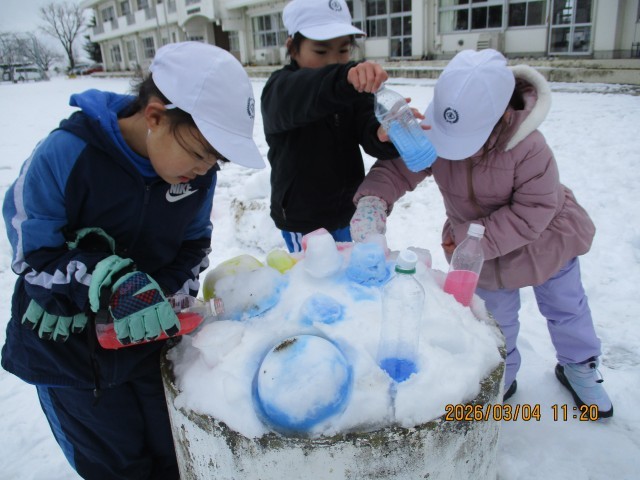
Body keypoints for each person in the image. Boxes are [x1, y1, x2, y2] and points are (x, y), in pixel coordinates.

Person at [1, 41, 264, 479]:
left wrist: (162, 296)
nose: (205, 169)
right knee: (117, 468)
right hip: (73, 362)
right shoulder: (67, 154)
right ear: (155, 116)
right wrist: (111, 284)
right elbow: (33, 256)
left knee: (176, 456)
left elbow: (193, 246)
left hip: (148, 351)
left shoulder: (196, 177)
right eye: (200, 152)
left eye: (216, 159)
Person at [349, 49, 613, 418]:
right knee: (495, 320)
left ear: (501, 117)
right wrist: (373, 199)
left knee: (566, 307)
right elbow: (400, 168)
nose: (452, 151)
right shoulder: (438, 132)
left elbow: (533, 211)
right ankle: (505, 371)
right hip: (477, 251)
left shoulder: (529, 147)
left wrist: (469, 237)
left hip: (546, 241)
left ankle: (580, 365)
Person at [261, 0, 400, 253]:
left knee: (345, 273)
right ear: (292, 48)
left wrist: (383, 134)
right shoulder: (280, 90)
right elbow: (314, 90)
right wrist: (344, 78)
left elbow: (367, 126)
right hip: (303, 220)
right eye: (321, 51)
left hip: (347, 211)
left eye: (343, 50)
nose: (334, 61)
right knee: (313, 275)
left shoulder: (350, 90)